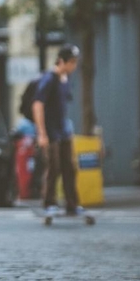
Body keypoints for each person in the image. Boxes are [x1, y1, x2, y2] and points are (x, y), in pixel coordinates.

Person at [32, 44, 82, 217]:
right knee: (54, 166)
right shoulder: (49, 79)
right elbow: (37, 105)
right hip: (51, 131)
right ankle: (49, 202)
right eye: (72, 62)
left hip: (64, 130)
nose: (74, 67)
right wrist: (42, 133)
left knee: (69, 167)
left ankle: (72, 204)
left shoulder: (65, 80)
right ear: (62, 61)